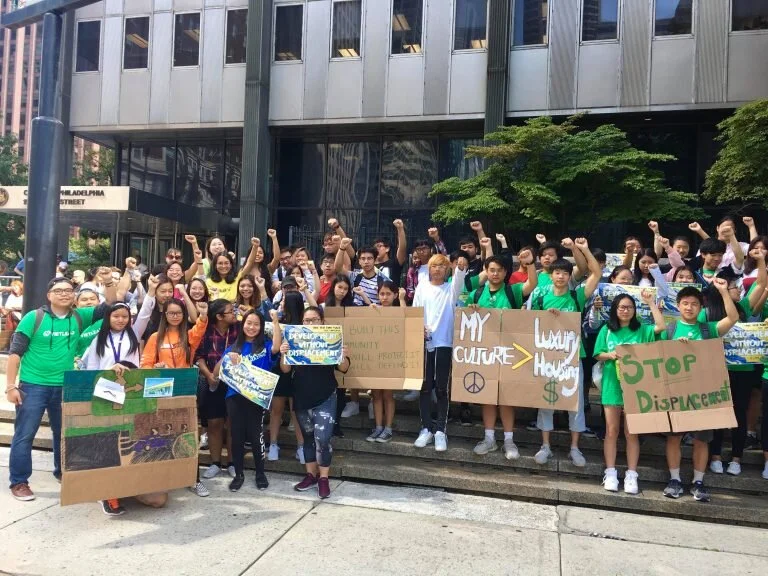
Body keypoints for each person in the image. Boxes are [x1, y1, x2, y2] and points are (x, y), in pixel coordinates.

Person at [6, 273, 119, 501]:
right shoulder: (33, 318)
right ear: (49, 296)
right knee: (24, 435)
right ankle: (19, 482)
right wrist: (10, 386)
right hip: (33, 385)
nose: (65, 294)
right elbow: (15, 353)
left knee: (63, 434)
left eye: (69, 290)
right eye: (59, 290)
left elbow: (109, 304)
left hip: (65, 385)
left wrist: (108, 283)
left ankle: (62, 472)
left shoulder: (80, 316)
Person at [660, 279, 739, 502]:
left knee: (702, 440)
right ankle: (674, 479)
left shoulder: (708, 329)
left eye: (694, 304)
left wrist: (724, 291)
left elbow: (732, 318)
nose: (689, 307)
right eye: (685, 303)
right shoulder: (670, 329)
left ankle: (698, 482)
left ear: (701, 307)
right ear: (677, 305)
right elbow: (657, 358)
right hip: (675, 394)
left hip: (704, 394)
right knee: (674, 438)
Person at [529, 238, 602, 468]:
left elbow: (596, 273)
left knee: (575, 401)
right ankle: (545, 446)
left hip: (572, 357)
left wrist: (584, 248)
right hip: (546, 355)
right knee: (546, 399)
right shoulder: (540, 295)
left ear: (570, 276)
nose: (560, 276)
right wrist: (544, 316)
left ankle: (574, 448)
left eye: (564, 273)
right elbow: (529, 322)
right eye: (557, 272)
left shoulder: (576, 296)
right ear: (550, 274)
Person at [594, 291, 666, 494]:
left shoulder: (643, 330)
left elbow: (661, 327)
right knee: (611, 430)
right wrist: (610, 355)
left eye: (629, 307)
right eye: (621, 307)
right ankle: (610, 472)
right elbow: (597, 353)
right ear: (615, 310)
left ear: (634, 311)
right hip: (612, 384)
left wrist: (650, 302)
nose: (625, 310)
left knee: (632, 432)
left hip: (637, 386)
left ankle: (632, 474)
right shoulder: (607, 330)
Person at [470, 254, 537, 460]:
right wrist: (470, 310)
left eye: (499, 270)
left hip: (509, 354)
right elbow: (464, 317)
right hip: (484, 354)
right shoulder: (476, 293)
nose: (495, 273)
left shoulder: (512, 290)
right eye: (492, 269)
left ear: (506, 272)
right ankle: (489, 438)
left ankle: (509, 440)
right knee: (488, 397)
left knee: (507, 398)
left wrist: (531, 263)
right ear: (486, 271)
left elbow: (532, 283)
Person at [280, 306, 350, 499]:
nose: (310, 323)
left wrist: (342, 355)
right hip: (302, 395)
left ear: (322, 321)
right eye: (306, 320)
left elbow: (344, 368)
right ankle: (310, 475)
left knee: (323, 439)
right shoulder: (294, 340)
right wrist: (284, 352)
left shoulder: (330, 340)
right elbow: (285, 370)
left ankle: (324, 479)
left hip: (326, 395)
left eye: (314, 320)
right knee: (308, 439)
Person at [707, 253, 766, 476]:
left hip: (742, 370)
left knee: (739, 413)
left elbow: (761, 283)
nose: (738, 290)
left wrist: (760, 260)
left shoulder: (743, 308)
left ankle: (736, 458)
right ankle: (714, 456)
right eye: (733, 287)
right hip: (717, 370)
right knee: (719, 413)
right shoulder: (708, 312)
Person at [215, 309, 282, 491]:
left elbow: (277, 347)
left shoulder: (266, 346)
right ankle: (239, 474)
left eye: (256, 324)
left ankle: (260, 473)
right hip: (234, 397)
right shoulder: (233, 348)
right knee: (236, 436)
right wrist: (226, 359)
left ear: (261, 327)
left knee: (256, 435)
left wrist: (275, 320)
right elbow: (216, 374)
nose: (251, 327)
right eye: (248, 323)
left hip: (257, 398)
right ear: (242, 324)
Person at [413, 253, 468, 452]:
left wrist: (460, 267)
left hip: (445, 342)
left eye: (442, 267)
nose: (437, 270)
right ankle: (426, 427)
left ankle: (440, 431)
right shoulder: (422, 287)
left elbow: (459, 281)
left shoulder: (450, 289)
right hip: (425, 343)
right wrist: (419, 328)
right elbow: (415, 311)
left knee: (442, 388)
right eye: (434, 266)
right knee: (425, 386)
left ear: (447, 270)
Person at [195, 299, 239, 480]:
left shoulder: (238, 329)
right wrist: (208, 374)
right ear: (220, 316)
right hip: (213, 382)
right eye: (230, 311)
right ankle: (214, 463)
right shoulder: (206, 331)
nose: (234, 313)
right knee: (214, 423)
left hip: (235, 383)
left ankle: (232, 463)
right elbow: (199, 357)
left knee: (232, 424)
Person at [267, 291, 305, 463]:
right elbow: (274, 347)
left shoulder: (305, 327)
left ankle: (301, 446)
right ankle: (274, 444)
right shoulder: (278, 324)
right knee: (278, 410)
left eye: (284, 300)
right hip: (280, 369)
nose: (281, 303)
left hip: (297, 373)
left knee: (293, 410)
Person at [366, 281, 405, 443]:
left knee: (388, 394)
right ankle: (378, 427)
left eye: (388, 294)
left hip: (392, 358)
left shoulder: (398, 310)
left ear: (395, 295)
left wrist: (402, 299)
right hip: (375, 357)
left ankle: (388, 428)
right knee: (376, 394)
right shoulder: (375, 311)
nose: (385, 297)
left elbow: (407, 320)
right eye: (382, 294)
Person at [140, 298, 209, 369]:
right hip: (164, 379)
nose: (175, 316)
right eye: (171, 313)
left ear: (183, 314)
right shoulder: (155, 337)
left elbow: (200, 328)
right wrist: (155, 369)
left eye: (179, 313)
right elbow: (146, 364)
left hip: (185, 378)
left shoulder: (189, 335)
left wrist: (203, 315)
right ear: (165, 315)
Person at [335, 238, 389, 306]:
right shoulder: (355, 276)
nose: (366, 262)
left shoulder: (382, 280)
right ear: (359, 261)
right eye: (363, 259)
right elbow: (338, 268)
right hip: (354, 313)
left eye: (369, 258)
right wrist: (342, 248)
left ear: (375, 260)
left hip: (374, 314)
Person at [206, 238, 260, 302]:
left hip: (235, 310)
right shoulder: (208, 282)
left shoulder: (237, 277)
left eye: (226, 263)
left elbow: (250, 262)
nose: (223, 266)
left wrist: (255, 247)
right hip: (215, 310)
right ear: (215, 265)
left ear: (231, 265)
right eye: (220, 263)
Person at [373, 219, 408, 286]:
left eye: (379, 246)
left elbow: (402, 248)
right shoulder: (370, 266)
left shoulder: (394, 263)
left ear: (387, 248)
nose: (376, 249)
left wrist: (400, 228)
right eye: (375, 247)